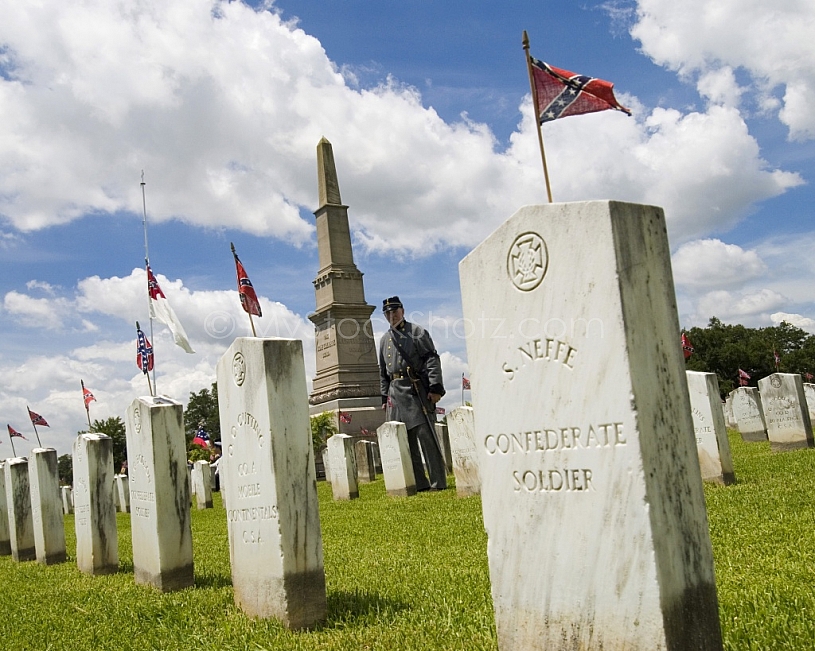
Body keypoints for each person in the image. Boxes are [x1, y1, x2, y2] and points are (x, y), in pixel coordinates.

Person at [378, 296, 447, 491]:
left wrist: (435, 388)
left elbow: (431, 360)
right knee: (405, 443)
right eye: (388, 313)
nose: (392, 316)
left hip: (414, 391)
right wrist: (384, 397)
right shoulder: (384, 340)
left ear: (403, 311)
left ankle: (437, 482)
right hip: (394, 394)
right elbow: (382, 371)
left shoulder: (417, 332)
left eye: (395, 311)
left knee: (426, 439)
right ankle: (420, 483)